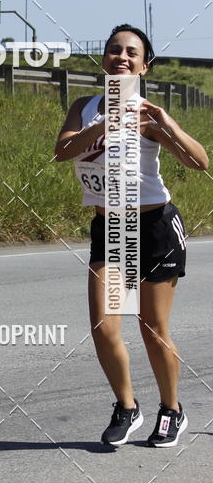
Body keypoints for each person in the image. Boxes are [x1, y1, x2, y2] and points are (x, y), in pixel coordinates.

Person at [54, 24, 209, 448]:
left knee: (152, 327)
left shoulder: (148, 114)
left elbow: (200, 162)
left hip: (155, 226)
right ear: (103, 59)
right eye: (114, 50)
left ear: (144, 65)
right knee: (105, 327)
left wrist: (167, 126)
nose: (121, 57)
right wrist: (101, 125)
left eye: (131, 53)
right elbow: (63, 150)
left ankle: (171, 409)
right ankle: (127, 407)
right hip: (110, 229)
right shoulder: (85, 106)